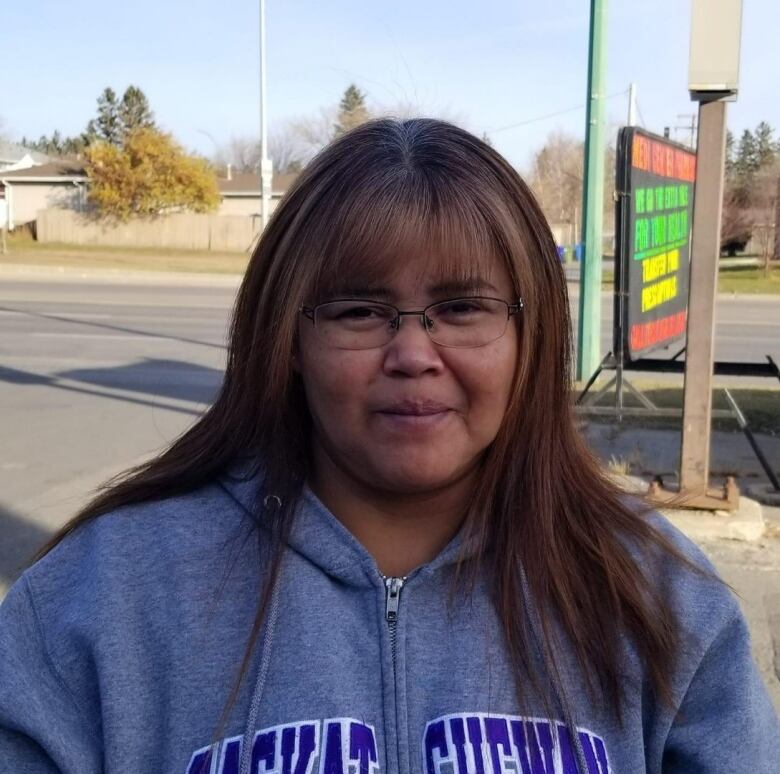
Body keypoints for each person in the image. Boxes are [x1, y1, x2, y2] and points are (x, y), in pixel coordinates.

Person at [0, 118, 777, 774]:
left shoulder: (658, 598)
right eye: (359, 311)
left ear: (529, 336)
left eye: (462, 306)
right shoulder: (103, 599)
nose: (412, 353)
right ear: (289, 339)